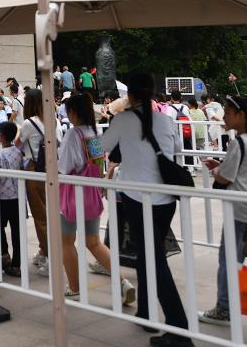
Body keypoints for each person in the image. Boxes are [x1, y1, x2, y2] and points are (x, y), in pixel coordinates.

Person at [99, 73, 189, 347]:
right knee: (148, 255)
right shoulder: (166, 119)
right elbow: (174, 150)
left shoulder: (123, 119)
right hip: (166, 201)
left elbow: (100, 149)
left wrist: (108, 117)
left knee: (154, 260)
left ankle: (179, 328)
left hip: (138, 199)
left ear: (130, 96)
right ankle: (146, 311)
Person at [59, 93, 136, 305]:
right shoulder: (94, 133)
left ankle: (74, 288)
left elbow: (64, 167)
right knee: (93, 242)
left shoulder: (72, 135)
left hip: (73, 194)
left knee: (66, 241)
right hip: (92, 193)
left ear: (73, 112)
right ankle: (122, 282)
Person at [198, 95, 247, 326]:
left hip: (239, 210)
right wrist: (222, 166)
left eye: (227, 112)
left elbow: (226, 177)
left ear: (241, 115)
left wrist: (217, 170)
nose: (224, 116)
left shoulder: (239, 142)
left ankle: (224, 308)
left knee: (229, 259)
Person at [16, 88, 51, 276]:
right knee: (49, 213)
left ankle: (50, 257)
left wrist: (19, 130)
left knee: (40, 215)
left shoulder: (28, 123)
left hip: (34, 170)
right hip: (51, 170)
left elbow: (17, 143)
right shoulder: (52, 120)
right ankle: (43, 251)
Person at [0, 121, 25, 277]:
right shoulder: (18, 152)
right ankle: (17, 265)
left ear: (1, 136)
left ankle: (4, 254)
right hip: (18, 197)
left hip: (3, 198)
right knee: (17, 231)